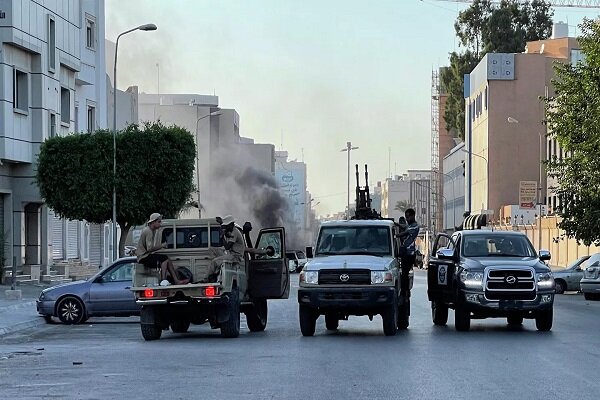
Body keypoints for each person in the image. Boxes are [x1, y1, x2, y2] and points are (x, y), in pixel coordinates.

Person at [206, 215, 270, 282]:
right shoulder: (230, 232)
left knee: (214, 261)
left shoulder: (235, 232)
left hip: (235, 257)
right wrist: (221, 222)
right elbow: (251, 250)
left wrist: (222, 237)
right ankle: (217, 270)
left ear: (231, 225)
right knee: (212, 250)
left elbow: (227, 247)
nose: (226, 227)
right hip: (230, 254)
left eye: (227, 225)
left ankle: (206, 279)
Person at [136, 213, 189, 286]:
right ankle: (163, 280)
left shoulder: (152, 231)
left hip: (146, 255)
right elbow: (149, 248)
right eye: (159, 222)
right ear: (153, 222)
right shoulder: (148, 231)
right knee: (164, 258)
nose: (160, 224)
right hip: (143, 257)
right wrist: (162, 245)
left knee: (167, 259)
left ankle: (176, 280)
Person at [399, 208, 420, 295]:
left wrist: (394, 235)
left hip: (410, 254)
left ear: (412, 216)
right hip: (405, 253)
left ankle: (405, 291)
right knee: (403, 273)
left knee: (405, 274)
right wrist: (395, 224)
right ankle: (404, 290)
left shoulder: (415, 226)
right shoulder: (409, 226)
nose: (407, 219)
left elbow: (405, 233)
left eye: (408, 217)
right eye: (406, 217)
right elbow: (404, 227)